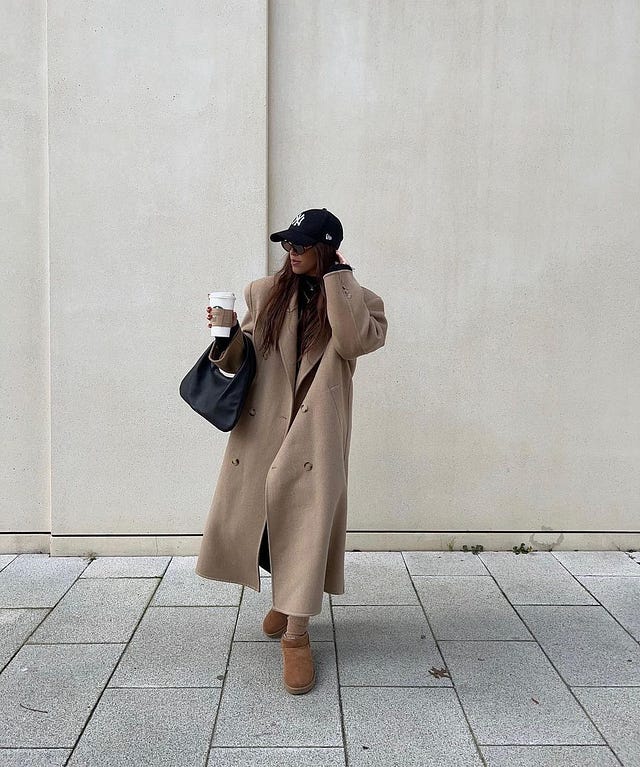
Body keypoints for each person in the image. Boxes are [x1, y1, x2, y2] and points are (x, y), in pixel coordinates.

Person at [195, 207, 388, 694]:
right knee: (264, 520)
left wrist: (338, 280)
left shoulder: (362, 302)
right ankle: (286, 601)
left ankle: (296, 635)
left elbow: (353, 342)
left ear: (326, 249)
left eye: (302, 245)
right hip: (264, 426)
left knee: (306, 523)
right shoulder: (264, 293)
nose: (292, 252)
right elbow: (247, 359)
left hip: (315, 431)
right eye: (288, 244)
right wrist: (227, 334)